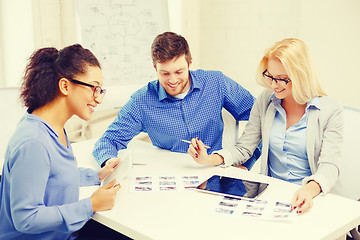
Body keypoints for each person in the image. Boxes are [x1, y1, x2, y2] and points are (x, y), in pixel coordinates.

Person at [187, 38, 343, 214]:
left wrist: (309, 189)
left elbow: (330, 166)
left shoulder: (330, 110)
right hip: (272, 195)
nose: (273, 84)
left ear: (301, 75)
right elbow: (245, 148)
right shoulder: (266, 100)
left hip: (312, 197)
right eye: (270, 76)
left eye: (282, 79)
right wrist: (208, 159)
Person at [0, 44, 121, 240]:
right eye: (94, 88)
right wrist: (90, 205)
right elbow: (26, 218)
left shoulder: (52, 126)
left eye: (100, 90)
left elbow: (55, 176)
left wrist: (97, 176)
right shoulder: (34, 142)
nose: (98, 99)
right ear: (65, 86)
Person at [93, 31, 261, 169]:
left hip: (217, 171)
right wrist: (108, 161)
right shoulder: (141, 102)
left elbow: (261, 118)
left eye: (179, 72)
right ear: (154, 67)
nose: (173, 80)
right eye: (165, 73)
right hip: (171, 174)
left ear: (190, 63)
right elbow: (109, 140)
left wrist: (246, 162)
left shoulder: (216, 82)